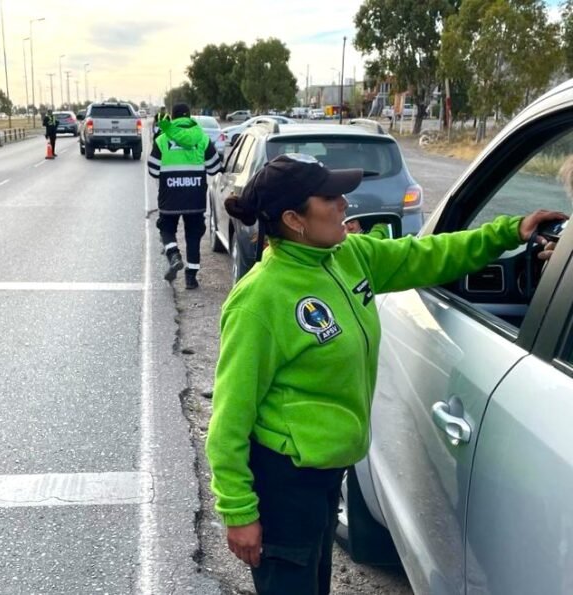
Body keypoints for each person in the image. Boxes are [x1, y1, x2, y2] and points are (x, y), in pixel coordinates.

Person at [205, 153, 566, 595]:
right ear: (293, 219)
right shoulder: (259, 301)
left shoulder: (348, 256)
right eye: (331, 197)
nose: (344, 204)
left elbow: (425, 254)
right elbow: (228, 422)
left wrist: (508, 232)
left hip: (325, 475)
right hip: (285, 485)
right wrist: (239, 512)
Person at [148, 102, 222, 289]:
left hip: (169, 197)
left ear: (172, 118)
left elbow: (153, 170)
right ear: (189, 117)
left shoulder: (162, 139)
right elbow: (214, 168)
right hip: (195, 197)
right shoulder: (202, 138)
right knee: (193, 236)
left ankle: (173, 255)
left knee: (166, 229)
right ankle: (191, 278)